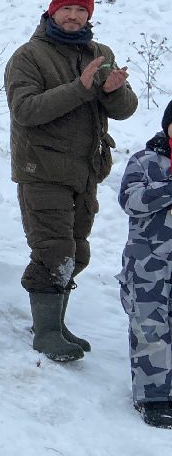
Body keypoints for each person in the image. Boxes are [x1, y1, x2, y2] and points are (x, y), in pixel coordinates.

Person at [5, 0, 138, 363]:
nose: (74, 16)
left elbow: (124, 109)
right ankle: (45, 333)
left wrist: (114, 91)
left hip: (85, 171)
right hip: (42, 169)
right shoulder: (29, 56)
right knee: (54, 251)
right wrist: (81, 87)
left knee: (77, 251)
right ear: (52, 11)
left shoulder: (100, 53)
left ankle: (55, 325)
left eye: (82, 10)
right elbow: (26, 110)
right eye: (67, 9)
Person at [116, 99, 172, 428]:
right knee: (150, 328)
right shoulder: (144, 161)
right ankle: (153, 397)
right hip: (147, 266)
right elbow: (131, 199)